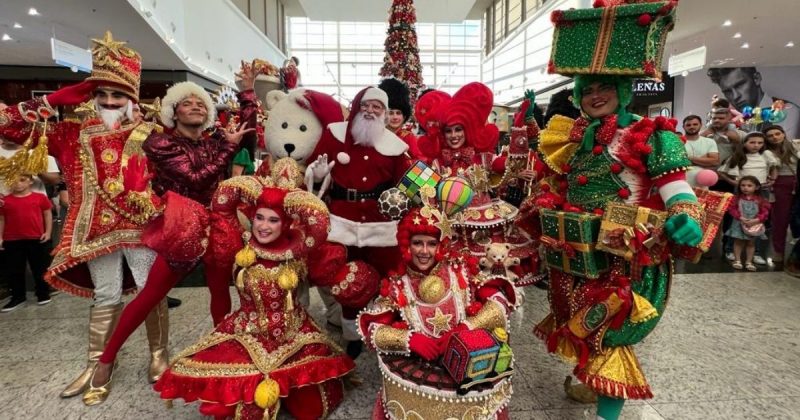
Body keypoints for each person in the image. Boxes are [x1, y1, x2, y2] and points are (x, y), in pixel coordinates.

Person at [534, 3, 706, 418]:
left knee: (612, 335)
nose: (594, 96)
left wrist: (686, 217)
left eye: (604, 87)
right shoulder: (572, 139)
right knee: (579, 323)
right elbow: (556, 186)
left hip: (625, 260)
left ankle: (607, 414)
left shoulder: (653, 136)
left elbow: (677, 189)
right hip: (575, 254)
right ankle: (588, 386)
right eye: (587, 89)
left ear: (625, 89)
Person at [0, 31, 167, 400]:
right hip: (92, 231)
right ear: (90, 96)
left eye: (117, 94)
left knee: (149, 291)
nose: (109, 101)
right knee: (106, 295)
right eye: (101, 94)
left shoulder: (151, 134)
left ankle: (159, 354)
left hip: (141, 228)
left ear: (131, 98)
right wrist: (56, 100)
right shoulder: (68, 133)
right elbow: (6, 126)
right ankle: (98, 363)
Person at [84, 72, 259, 405]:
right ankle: (105, 360)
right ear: (174, 112)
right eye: (186, 103)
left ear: (208, 113)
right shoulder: (160, 142)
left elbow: (245, 136)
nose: (194, 106)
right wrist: (228, 149)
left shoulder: (214, 141)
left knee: (221, 290)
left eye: (200, 103)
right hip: (181, 221)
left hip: (218, 221)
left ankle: (221, 349)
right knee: (150, 294)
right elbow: (196, 178)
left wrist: (248, 94)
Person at [154, 178, 354, 419]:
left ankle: (281, 392)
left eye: (273, 220)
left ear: (286, 223)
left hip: (293, 334)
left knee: (312, 410)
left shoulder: (299, 252)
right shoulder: (238, 245)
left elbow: (330, 266)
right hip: (248, 331)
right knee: (231, 405)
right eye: (259, 217)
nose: (264, 226)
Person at [357, 207, 518, 419]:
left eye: (431, 243)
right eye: (417, 243)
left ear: (440, 245)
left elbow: (499, 302)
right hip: (423, 370)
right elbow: (374, 331)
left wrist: (467, 327)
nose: (424, 251)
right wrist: (410, 339)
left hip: (467, 365)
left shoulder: (459, 270)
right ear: (407, 245)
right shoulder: (397, 285)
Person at [305, 85, 411, 358]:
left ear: (385, 114)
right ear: (357, 106)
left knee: (392, 278)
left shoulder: (396, 147)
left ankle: (390, 329)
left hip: (381, 226)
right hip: (342, 221)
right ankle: (352, 334)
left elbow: (407, 184)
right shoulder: (335, 134)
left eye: (378, 107)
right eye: (367, 105)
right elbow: (315, 169)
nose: (371, 111)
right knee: (346, 281)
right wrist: (316, 174)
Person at [718, 132, 778, 265]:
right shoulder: (739, 156)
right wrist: (735, 183)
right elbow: (721, 172)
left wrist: (773, 179)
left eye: (759, 143)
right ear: (744, 143)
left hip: (760, 191)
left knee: (758, 221)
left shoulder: (766, 155)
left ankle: (755, 252)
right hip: (741, 192)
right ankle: (730, 249)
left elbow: (774, 167)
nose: (756, 145)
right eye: (752, 142)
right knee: (736, 221)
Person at [0, 174, 53, 311]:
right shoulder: (5, 201)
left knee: (40, 268)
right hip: (12, 239)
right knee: (14, 270)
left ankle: (43, 293)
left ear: (30, 181)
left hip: (36, 238)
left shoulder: (40, 198)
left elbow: (47, 214)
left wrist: (48, 232)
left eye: (22, 180)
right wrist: (0, 237)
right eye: (14, 180)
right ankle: (17, 297)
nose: (18, 184)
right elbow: (2, 220)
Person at [708, 67, 799, 138]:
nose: (735, 96)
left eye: (739, 85)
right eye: (728, 91)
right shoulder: (731, 119)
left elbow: (783, 153)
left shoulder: (787, 111)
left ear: (757, 79)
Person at [763, 125, 799, 262]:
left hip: (797, 183)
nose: (775, 137)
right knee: (780, 220)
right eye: (770, 135)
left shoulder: (795, 147)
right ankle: (778, 252)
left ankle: (796, 254)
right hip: (780, 185)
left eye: (777, 134)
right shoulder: (766, 152)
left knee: (797, 220)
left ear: (783, 134)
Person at [727, 176, 770, 271]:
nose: (745, 187)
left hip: (754, 224)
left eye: (749, 185)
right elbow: (731, 209)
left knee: (751, 243)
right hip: (739, 223)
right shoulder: (736, 198)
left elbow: (765, 212)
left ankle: (749, 261)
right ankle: (737, 260)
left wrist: (757, 220)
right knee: (738, 241)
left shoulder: (761, 200)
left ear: (757, 187)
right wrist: (740, 217)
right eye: (743, 185)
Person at [378, 78, 421, 159]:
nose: (395, 117)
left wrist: (405, 165)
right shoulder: (377, 136)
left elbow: (420, 162)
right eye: (391, 113)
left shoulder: (409, 137)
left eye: (398, 113)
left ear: (404, 116)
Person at [682, 115, 720, 187]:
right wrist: (704, 160)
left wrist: (690, 158)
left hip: (703, 184)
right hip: (682, 183)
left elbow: (715, 162)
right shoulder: (677, 142)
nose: (692, 127)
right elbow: (676, 163)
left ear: (701, 125)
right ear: (683, 127)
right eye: (688, 125)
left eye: (695, 124)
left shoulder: (710, 142)